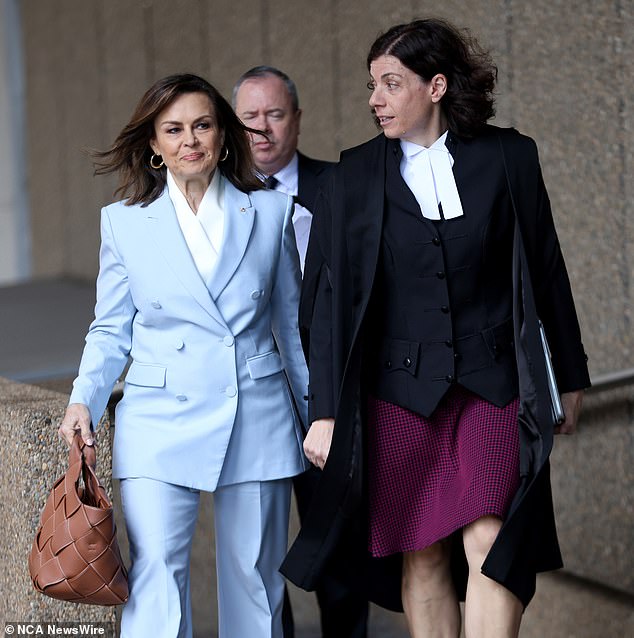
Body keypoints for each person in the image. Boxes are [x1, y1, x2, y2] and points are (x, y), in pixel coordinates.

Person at [281, 18, 591, 638]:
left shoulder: (510, 158)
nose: (376, 100)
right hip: (398, 392)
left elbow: (547, 271)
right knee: (421, 549)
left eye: (392, 84)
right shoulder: (350, 179)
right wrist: (324, 410)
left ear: (437, 86)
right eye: (372, 86)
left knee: (491, 537)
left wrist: (571, 376)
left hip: (493, 383)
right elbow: (325, 307)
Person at [58, 73, 309, 638]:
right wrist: (83, 400)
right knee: (155, 579)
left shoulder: (270, 213)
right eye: (173, 129)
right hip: (157, 415)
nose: (190, 140)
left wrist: (319, 413)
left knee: (255, 579)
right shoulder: (123, 223)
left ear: (223, 136)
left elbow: (292, 327)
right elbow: (110, 328)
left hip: (257, 411)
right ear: (153, 143)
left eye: (202, 125)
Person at [233, 67, 369, 638]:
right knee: (255, 548)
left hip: (327, 386)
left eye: (275, 115)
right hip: (252, 393)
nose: (262, 129)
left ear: (297, 118)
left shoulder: (341, 186)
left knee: (337, 533)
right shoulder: (218, 200)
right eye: (249, 118)